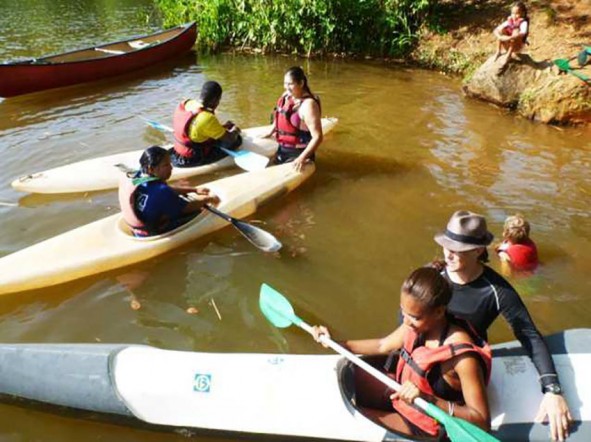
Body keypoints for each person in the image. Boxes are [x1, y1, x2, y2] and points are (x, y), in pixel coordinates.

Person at [431, 210, 571, 441]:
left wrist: (552, 390)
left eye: (457, 249)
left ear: (477, 251)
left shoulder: (497, 291)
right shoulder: (433, 275)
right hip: (426, 361)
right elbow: (406, 319)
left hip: (463, 378)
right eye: (447, 245)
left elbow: (529, 336)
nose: (449, 254)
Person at [313, 267, 491, 438]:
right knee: (346, 384)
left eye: (414, 317)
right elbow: (382, 345)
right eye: (403, 312)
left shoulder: (463, 358)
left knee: (350, 424)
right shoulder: (414, 325)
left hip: (426, 424)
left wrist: (427, 399)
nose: (406, 321)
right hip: (403, 397)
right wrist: (335, 343)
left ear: (439, 312)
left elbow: (482, 421)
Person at [119, 145, 218, 237]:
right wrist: (208, 199)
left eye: (170, 163)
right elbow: (187, 208)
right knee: (199, 212)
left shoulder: (139, 176)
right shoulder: (161, 191)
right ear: (151, 169)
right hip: (153, 232)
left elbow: (164, 191)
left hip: (138, 228)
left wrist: (193, 190)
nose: (171, 168)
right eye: (166, 165)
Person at [170, 80, 242, 168]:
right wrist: (235, 131)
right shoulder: (208, 118)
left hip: (177, 149)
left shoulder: (186, 103)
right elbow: (230, 139)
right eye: (218, 100)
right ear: (215, 100)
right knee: (236, 141)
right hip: (191, 158)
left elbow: (195, 126)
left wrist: (221, 127)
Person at [268, 66, 323, 172]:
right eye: (285, 83)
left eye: (290, 84)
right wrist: (271, 131)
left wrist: (302, 158)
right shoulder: (286, 96)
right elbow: (280, 114)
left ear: (301, 83)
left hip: (298, 153)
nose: (286, 87)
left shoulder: (308, 105)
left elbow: (318, 137)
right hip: (282, 150)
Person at [493, 2, 529, 73]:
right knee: (501, 30)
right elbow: (495, 30)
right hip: (508, 43)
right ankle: (498, 51)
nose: (514, 16)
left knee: (516, 31)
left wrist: (511, 37)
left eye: (517, 13)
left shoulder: (523, 23)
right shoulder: (509, 21)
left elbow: (523, 32)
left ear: (523, 14)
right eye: (512, 13)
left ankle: (508, 55)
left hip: (517, 46)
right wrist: (500, 37)